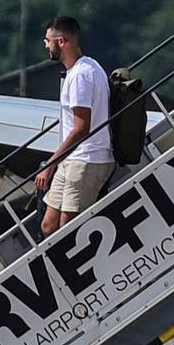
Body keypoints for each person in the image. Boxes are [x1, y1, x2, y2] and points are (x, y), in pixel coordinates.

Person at [32, 15, 117, 235]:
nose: (46, 45)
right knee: (48, 226)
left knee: (67, 229)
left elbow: (81, 127)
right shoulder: (87, 67)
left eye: (48, 40)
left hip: (87, 159)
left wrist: (51, 164)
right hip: (73, 159)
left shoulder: (80, 75)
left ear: (61, 42)